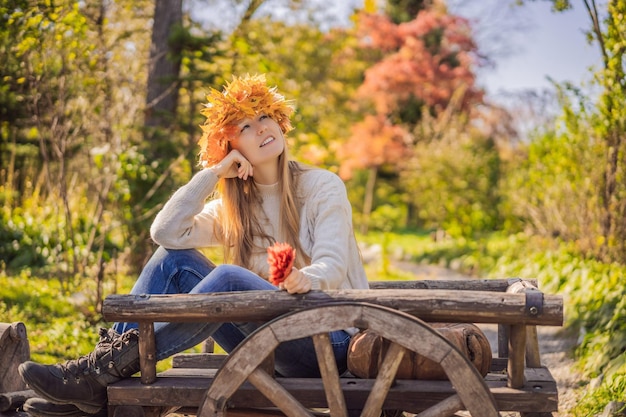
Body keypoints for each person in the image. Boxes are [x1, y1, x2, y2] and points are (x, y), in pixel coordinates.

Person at [18, 73, 369, 416]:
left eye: (264, 117)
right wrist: (213, 174)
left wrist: (306, 278)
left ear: (279, 122)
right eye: (244, 127)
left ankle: (94, 375)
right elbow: (166, 233)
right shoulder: (236, 208)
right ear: (230, 148)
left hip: (327, 340)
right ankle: (95, 379)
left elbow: (333, 263)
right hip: (267, 340)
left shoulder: (322, 186)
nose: (261, 127)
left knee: (230, 278)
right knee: (171, 258)